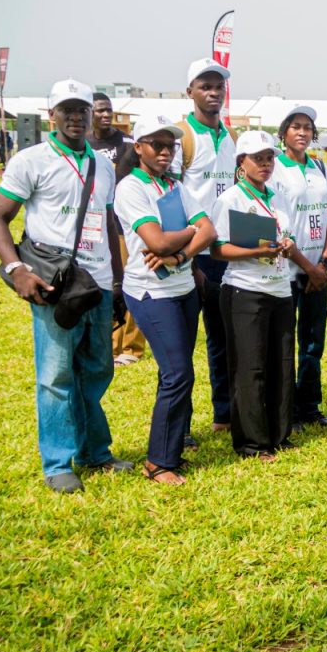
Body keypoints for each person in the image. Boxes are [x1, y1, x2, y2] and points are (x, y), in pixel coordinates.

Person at [0, 79, 131, 493]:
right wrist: (16, 269)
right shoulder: (31, 160)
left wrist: (117, 282)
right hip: (55, 284)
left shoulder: (102, 164)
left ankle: (94, 452)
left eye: (81, 109)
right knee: (56, 375)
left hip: (96, 283)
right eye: (67, 110)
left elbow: (108, 223)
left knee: (97, 370)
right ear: (51, 115)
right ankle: (57, 463)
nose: (75, 117)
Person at [112, 115, 218, 485]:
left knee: (175, 371)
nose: (164, 151)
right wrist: (190, 230)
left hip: (183, 288)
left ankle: (175, 441)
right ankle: (159, 461)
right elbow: (155, 241)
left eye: (169, 145)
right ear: (138, 147)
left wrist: (180, 254)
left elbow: (209, 230)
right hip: (151, 293)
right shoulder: (131, 187)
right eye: (155, 144)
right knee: (178, 373)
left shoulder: (174, 185)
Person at [212, 130, 313, 460]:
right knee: (250, 369)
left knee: (282, 365)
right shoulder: (230, 199)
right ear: (241, 162)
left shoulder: (277, 197)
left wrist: (287, 245)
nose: (266, 164)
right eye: (258, 158)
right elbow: (218, 249)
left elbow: (287, 235)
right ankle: (252, 443)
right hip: (245, 290)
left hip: (280, 289)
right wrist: (256, 251)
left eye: (269, 158)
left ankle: (279, 435)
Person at [171, 58, 237, 449]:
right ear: (190, 91)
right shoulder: (181, 136)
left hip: (224, 252)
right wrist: (186, 255)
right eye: (205, 86)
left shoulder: (229, 137)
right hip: (189, 253)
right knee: (181, 345)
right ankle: (179, 427)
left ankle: (224, 414)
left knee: (222, 337)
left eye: (218, 86)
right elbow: (169, 195)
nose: (213, 92)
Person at [271, 105, 327, 431]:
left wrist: (322, 263)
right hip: (287, 270)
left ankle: (309, 406)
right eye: (295, 126)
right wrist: (309, 267)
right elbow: (278, 226)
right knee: (284, 344)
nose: (302, 132)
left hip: (317, 272)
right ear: (284, 132)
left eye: (307, 127)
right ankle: (286, 411)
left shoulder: (320, 167)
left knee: (312, 342)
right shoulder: (275, 169)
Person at [88, 92, 146, 368]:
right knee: (105, 282)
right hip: (94, 225)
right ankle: (110, 344)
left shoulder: (128, 143)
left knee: (130, 280)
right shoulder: (84, 144)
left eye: (108, 109)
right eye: (99, 110)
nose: (105, 114)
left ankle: (132, 346)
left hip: (124, 224)